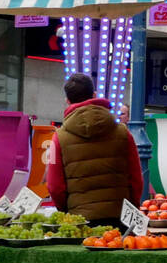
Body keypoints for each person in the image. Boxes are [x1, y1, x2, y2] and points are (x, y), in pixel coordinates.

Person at [45, 73, 143, 221]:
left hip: (80, 222)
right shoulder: (123, 133)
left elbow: (54, 186)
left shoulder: (57, 139)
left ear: (67, 100)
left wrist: (67, 210)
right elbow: (136, 178)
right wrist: (132, 207)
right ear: (94, 95)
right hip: (120, 218)